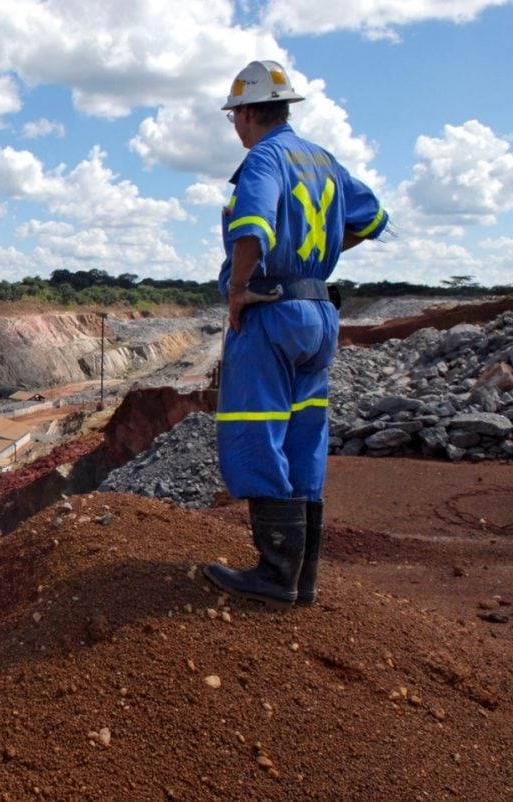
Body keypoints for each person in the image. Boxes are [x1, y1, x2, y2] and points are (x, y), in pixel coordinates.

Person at [203, 60, 389, 608]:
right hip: (318, 312)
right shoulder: (324, 160)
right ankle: (302, 580)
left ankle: (274, 573)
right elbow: (372, 218)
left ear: (247, 113)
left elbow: (252, 225)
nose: (235, 125)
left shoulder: (264, 159)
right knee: (304, 435)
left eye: (235, 114)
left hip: (272, 311)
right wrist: (319, 255)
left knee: (254, 430)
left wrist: (240, 289)